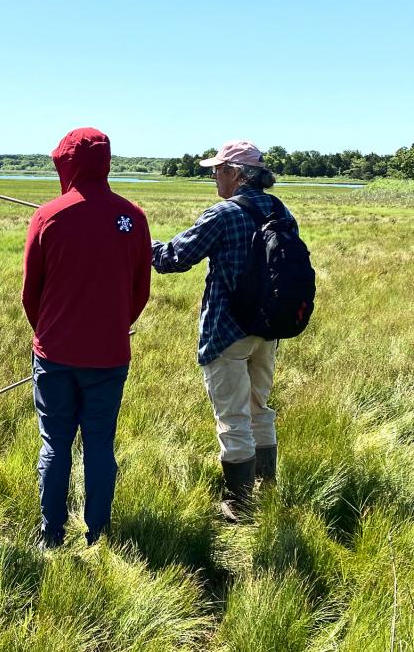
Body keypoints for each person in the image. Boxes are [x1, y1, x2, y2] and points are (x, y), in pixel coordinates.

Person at [151, 140, 298, 522]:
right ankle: (266, 490)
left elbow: (172, 259)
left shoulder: (223, 214)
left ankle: (240, 507)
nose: (214, 176)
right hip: (269, 330)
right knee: (258, 409)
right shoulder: (281, 210)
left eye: (218, 169)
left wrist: (141, 243)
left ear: (235, 173)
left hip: (227, 331)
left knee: (232, 418)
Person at [22, 127, 152, 548]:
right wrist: (114, 322)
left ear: (68, 164)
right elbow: (140, 291)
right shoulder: (132, 217)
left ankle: (51, 534)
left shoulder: (48, 216)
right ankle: (97, 535)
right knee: (99, 443)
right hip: (109, 354)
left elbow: (30, 293)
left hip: (55, 354)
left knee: (56, 443)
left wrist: (48, 331)